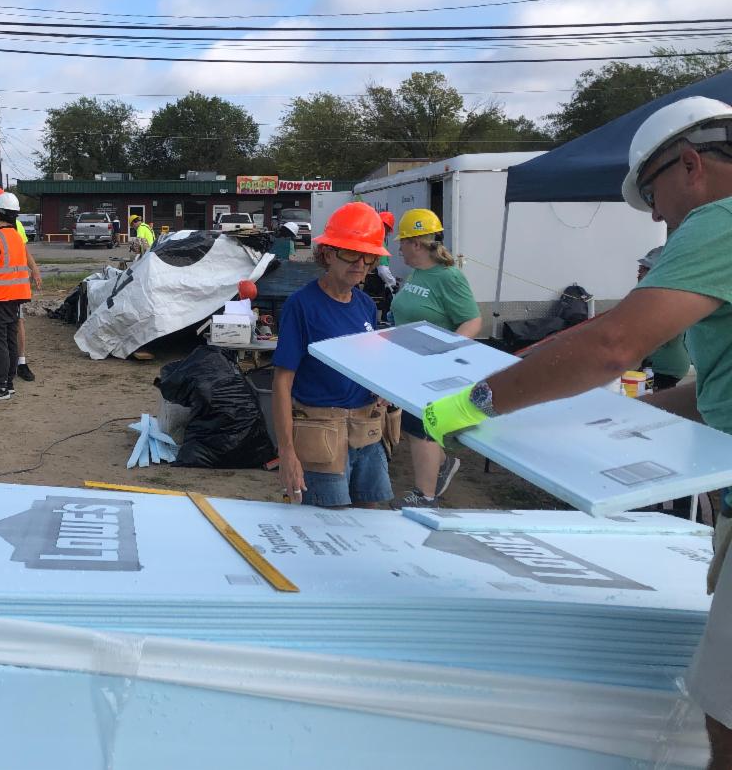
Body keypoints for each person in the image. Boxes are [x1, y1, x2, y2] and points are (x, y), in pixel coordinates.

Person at [418, 95, 732, 767]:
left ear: (690, 164)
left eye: (652, 195)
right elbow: (713, 399)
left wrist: (472, 403)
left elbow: (611, 345)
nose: (657, 217)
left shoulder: (721, 219)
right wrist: (612, 417)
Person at [272, 202, 393, 508]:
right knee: (329, 522)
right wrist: (286, 451)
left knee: (370, 519)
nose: (361, 263)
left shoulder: (366, 305)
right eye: (351, 253)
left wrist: (383, 388)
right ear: (327, 253)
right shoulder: (301, 305)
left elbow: (371, 364)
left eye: (368, 256)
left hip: (366, 432)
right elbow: (282, 383)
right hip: (321, 432)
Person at [388, 207, 482, 508]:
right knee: (412, 424)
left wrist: (446, 353)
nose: (399, 249)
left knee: (422, 428)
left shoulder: (448, 277)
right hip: (410, 364)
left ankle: (425, 497)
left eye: (402, 242)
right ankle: (441, 465)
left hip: (431, 368)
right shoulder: (418, 273)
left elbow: (472, 320)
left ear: (416, 243)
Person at [0, 191, 42, 402]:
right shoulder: (17, 237)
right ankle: (9, 384)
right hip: (15, 297)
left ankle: (1, 386)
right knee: (10, 341)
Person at [637, 245, 691, 390]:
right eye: (641, 267)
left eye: (646, 268)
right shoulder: (646, 295)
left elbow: (663, 336)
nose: (639, 271)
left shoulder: (669, 299)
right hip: (651, 367)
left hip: (666, 369)